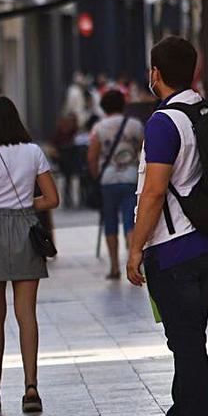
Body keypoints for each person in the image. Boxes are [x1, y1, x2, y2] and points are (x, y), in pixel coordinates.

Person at [127, 36, 208, 416]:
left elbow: (153, 193)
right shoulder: (203, 111)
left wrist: (134, 249)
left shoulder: (164, 122)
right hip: (205, 243)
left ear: (155, 74)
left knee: (185, 342)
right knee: (188, 338)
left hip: (174, 246)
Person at [0, 96, 59, 415]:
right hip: (25, 231)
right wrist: (23, 206)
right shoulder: (34, 151)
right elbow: (52, 198)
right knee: (26, 314)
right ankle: (31, 387)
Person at [87, 91, 144, 280]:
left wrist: (97, 176)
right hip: (131, 178)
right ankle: (133, 262)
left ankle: (114, 267)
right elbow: (144, 151)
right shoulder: (135, 125)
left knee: (110, 222)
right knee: (130, 221)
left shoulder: (99, 128)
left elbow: (92, 156)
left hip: (108, 180)